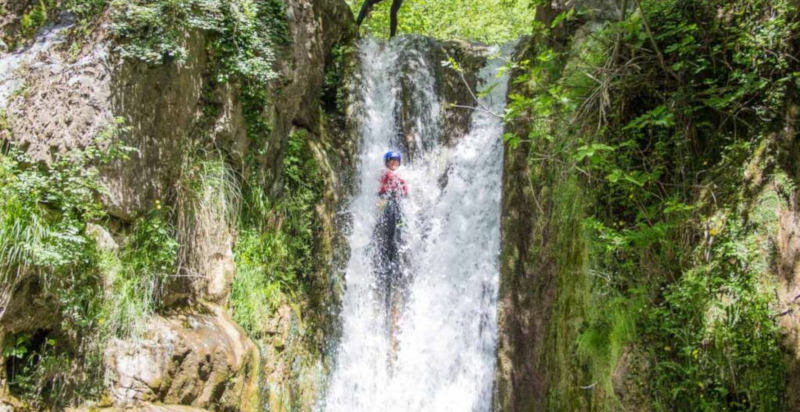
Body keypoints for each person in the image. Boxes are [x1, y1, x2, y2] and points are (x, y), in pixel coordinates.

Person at [373, 150, 408, 365]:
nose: (394, 164)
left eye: (396, 161)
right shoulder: (387, 175)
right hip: (388, 208)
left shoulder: (397, 176)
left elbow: (404, 191)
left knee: (397, 223)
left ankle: (396, 246)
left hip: (395, 208)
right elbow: (385, 189)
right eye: (392, 161)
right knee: (390, 222)